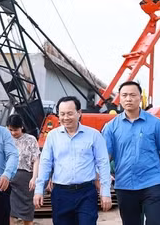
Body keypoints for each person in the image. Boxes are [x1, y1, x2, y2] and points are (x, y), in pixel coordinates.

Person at [102, 81, 160, 225]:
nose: (128, 99)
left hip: (153, 183)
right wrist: (103, 185)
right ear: (120, 98)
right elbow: (105, 158)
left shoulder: (156, 123)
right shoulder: (111, 127)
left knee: (155, 222)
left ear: (140, 98)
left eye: (132, 95)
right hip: (124, 185)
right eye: (124, 95)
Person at [34, 96, 112, 225]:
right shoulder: (53, 136)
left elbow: (103, 164)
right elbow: (46, 163)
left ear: (79, 113)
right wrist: (39, 190)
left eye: (70, 113)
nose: (66, 118)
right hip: (61, 194)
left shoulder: (94, 135)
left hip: (86, 192)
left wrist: (105, 192)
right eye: (62, 114)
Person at [6, 114, 40, 225]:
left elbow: (36, 160)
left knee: (27, 210)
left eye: (15, 130)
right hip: (9, 178)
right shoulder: (6, 139)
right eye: (10, 130)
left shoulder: (30, 139)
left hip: (26, 179)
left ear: (22, 127)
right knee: (9, 210)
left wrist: (34, 178)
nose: (13, 133)